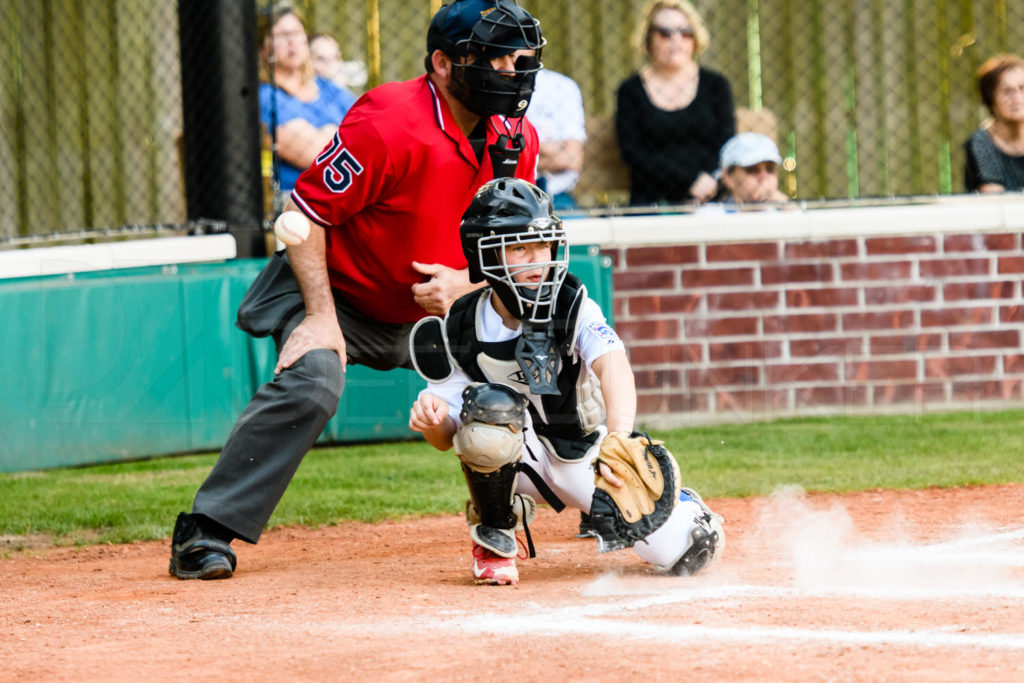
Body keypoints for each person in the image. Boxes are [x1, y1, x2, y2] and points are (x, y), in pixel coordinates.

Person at [168, 0, 545, 581]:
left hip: (434, 311)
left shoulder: (516, 137)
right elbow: (305, 217)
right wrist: (321, 319)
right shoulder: (389, 119)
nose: (511, 72)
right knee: (316, 379)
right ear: (443, 64)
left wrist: (467, 286)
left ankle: (588, 499)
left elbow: (520, 248)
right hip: (331, 288)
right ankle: (206, 528)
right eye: (494, 59)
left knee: (537, 360)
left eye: (519, 59)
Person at [408, 178, 724, 585]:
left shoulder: (571, 302)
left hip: (579, 450)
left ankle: (672, 503)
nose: (537, 260)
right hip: (516, 457)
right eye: (520, 247)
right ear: (482, 253)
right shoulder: (460, 327)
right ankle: (495, 533)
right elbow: (446, 435)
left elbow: (613, 364)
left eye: (543, 246)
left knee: (691, 548)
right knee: (487, 416)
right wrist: (434, 422)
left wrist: (620, 439)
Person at [614, 0, 735, 206]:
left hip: (709, 196)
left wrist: (706, 181)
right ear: (648, 38)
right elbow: (633, 153)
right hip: (651, 199)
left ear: (695, 37)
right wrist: (690, 181)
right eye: (664, 32)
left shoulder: (716, 85)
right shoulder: (630, 90)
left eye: (685, 32)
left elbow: (726, 143)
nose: (676, 40)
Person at [258, 7, 359, 193]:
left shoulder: (327, 87)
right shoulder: (266, 96)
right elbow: (318, 155)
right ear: (263, 48)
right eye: (281, 35)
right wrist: (341, 133)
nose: (292, 41)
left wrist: (327, 134)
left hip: (351, 192)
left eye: (297, 33)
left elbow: (371, 132)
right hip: (299, 201)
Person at [525, 66, 586, 210]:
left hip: (557, 196)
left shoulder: (562, 86)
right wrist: (551, 148)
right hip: (510, 194)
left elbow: (572, 159)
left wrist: (526, 148)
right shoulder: (494, 85)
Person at [964, 54, 1024, 193]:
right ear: (991, 100)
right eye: (1007, 92)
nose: (1017, 98)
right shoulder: (981, 142)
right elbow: (993, 198)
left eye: (1022, 88)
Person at [710, 132, 790, 208]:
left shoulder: (786, 212)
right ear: (728, 177)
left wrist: (786, 206)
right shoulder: (716, 214)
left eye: (770, 170)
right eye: (753, 170)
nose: (764, 177)